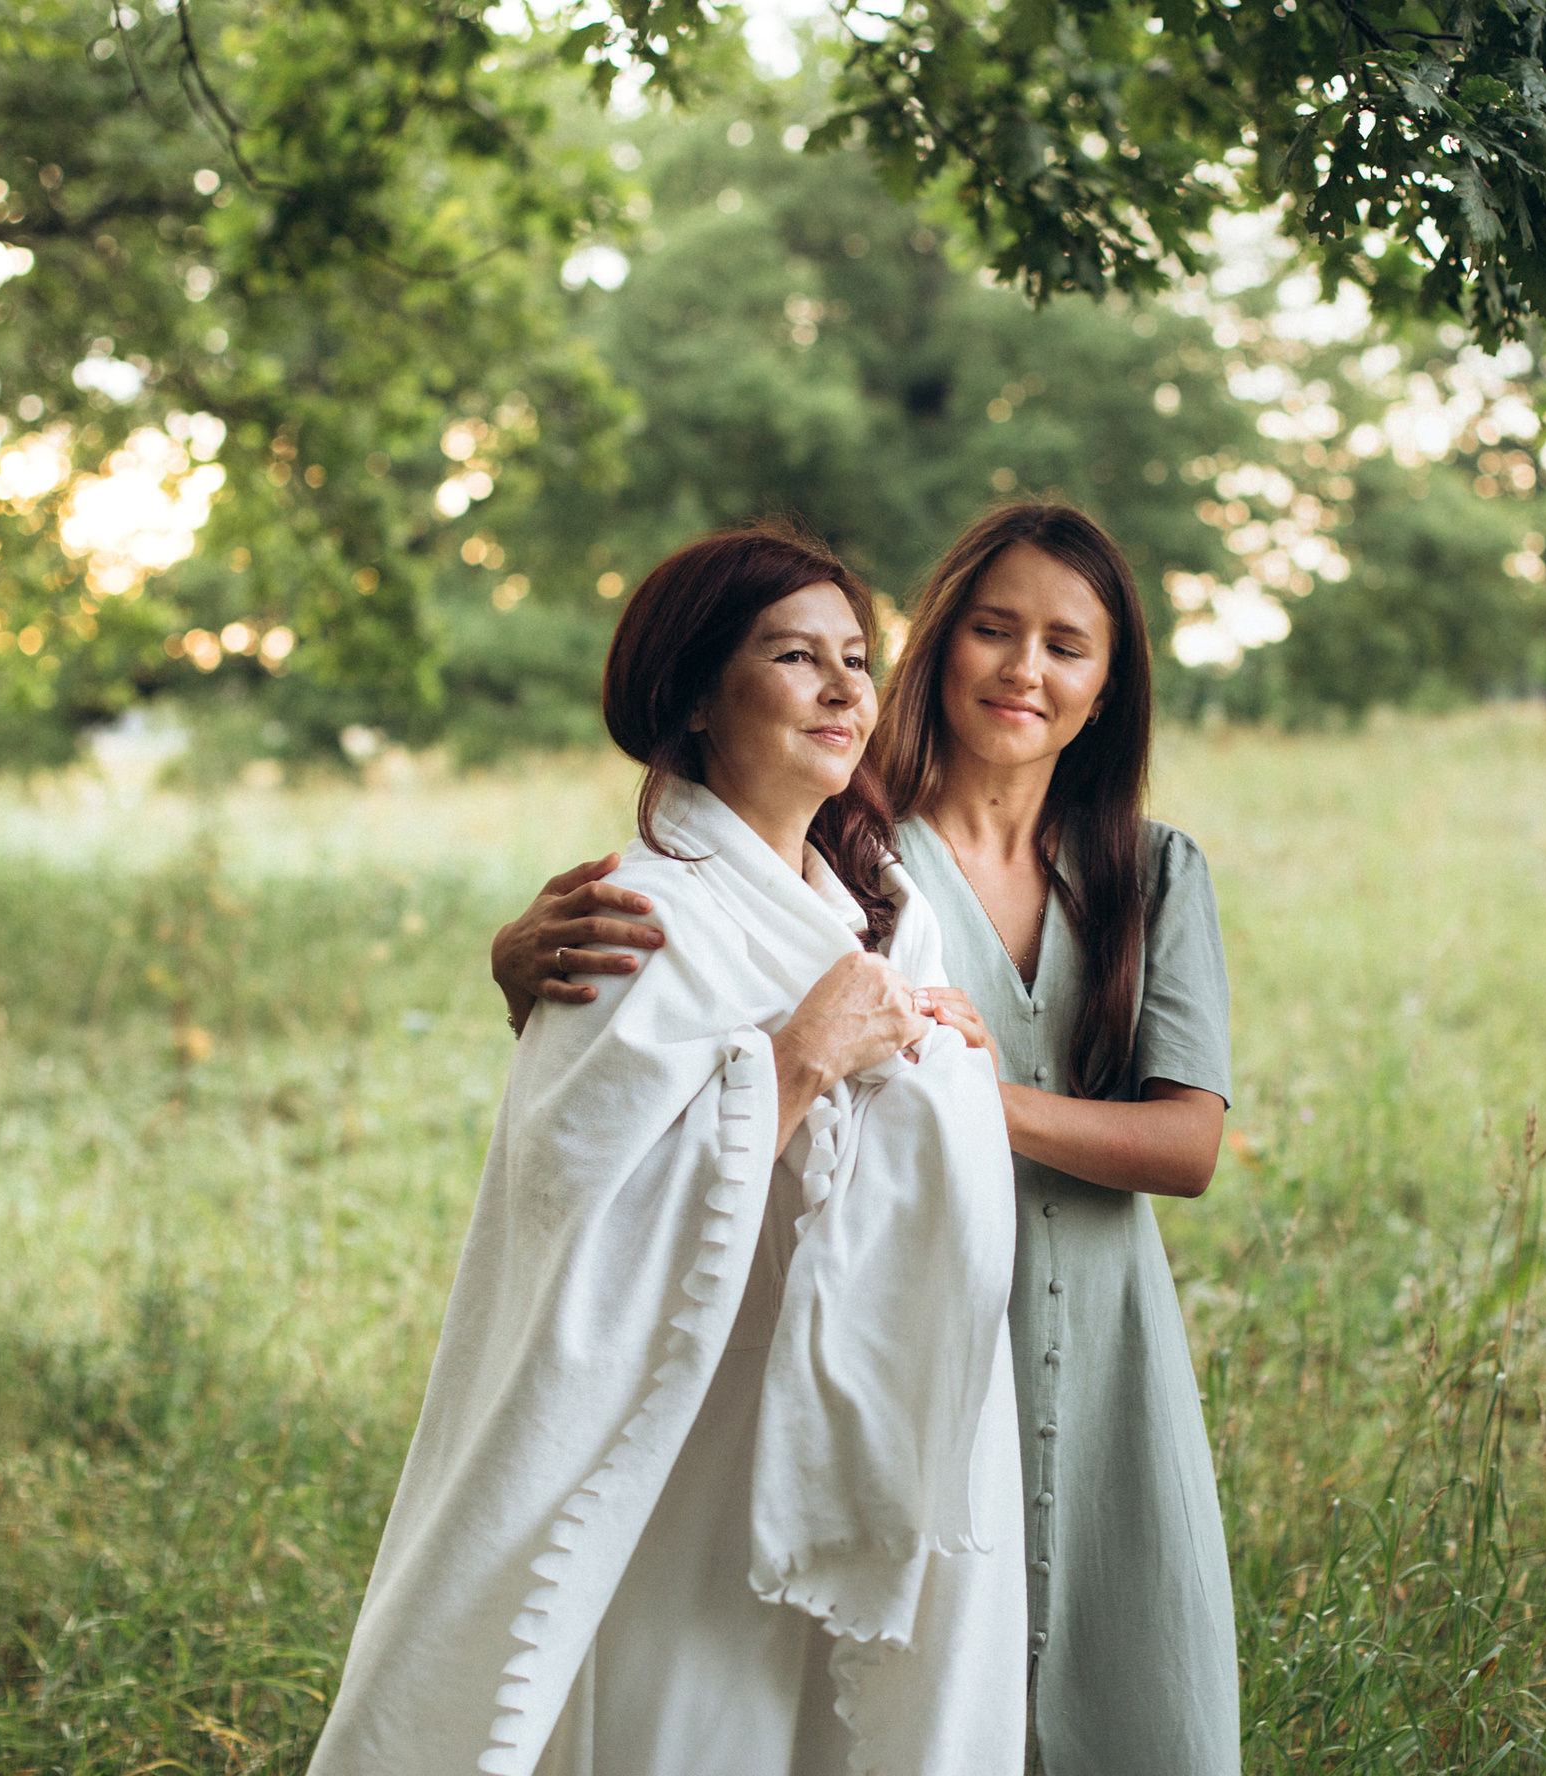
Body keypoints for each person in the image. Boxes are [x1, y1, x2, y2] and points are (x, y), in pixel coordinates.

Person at [494, 504, 1240, 1775]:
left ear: (1110, 687)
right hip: (902, 1310)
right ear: (938, 646)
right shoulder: (859, 848)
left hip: (1110, 1337)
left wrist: (965, 1088)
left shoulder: (1152, 871)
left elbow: (1188, 1145)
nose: (1022, 669)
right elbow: (698, 935)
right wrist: (514, 963)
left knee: (1142, 1693)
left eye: (1067, 645)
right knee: (908, 1692)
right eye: (991, 630)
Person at [313, 523, 1028, 1776]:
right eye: (793, 657)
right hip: (683, 1445)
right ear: (696, 697)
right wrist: (800, 1060)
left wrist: (942, 1064)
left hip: (846, 1432)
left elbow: (927, 1122)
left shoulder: (888, 917)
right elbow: (584, 1220)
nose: (843, 688)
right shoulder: (631, 922)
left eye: (856, 658)